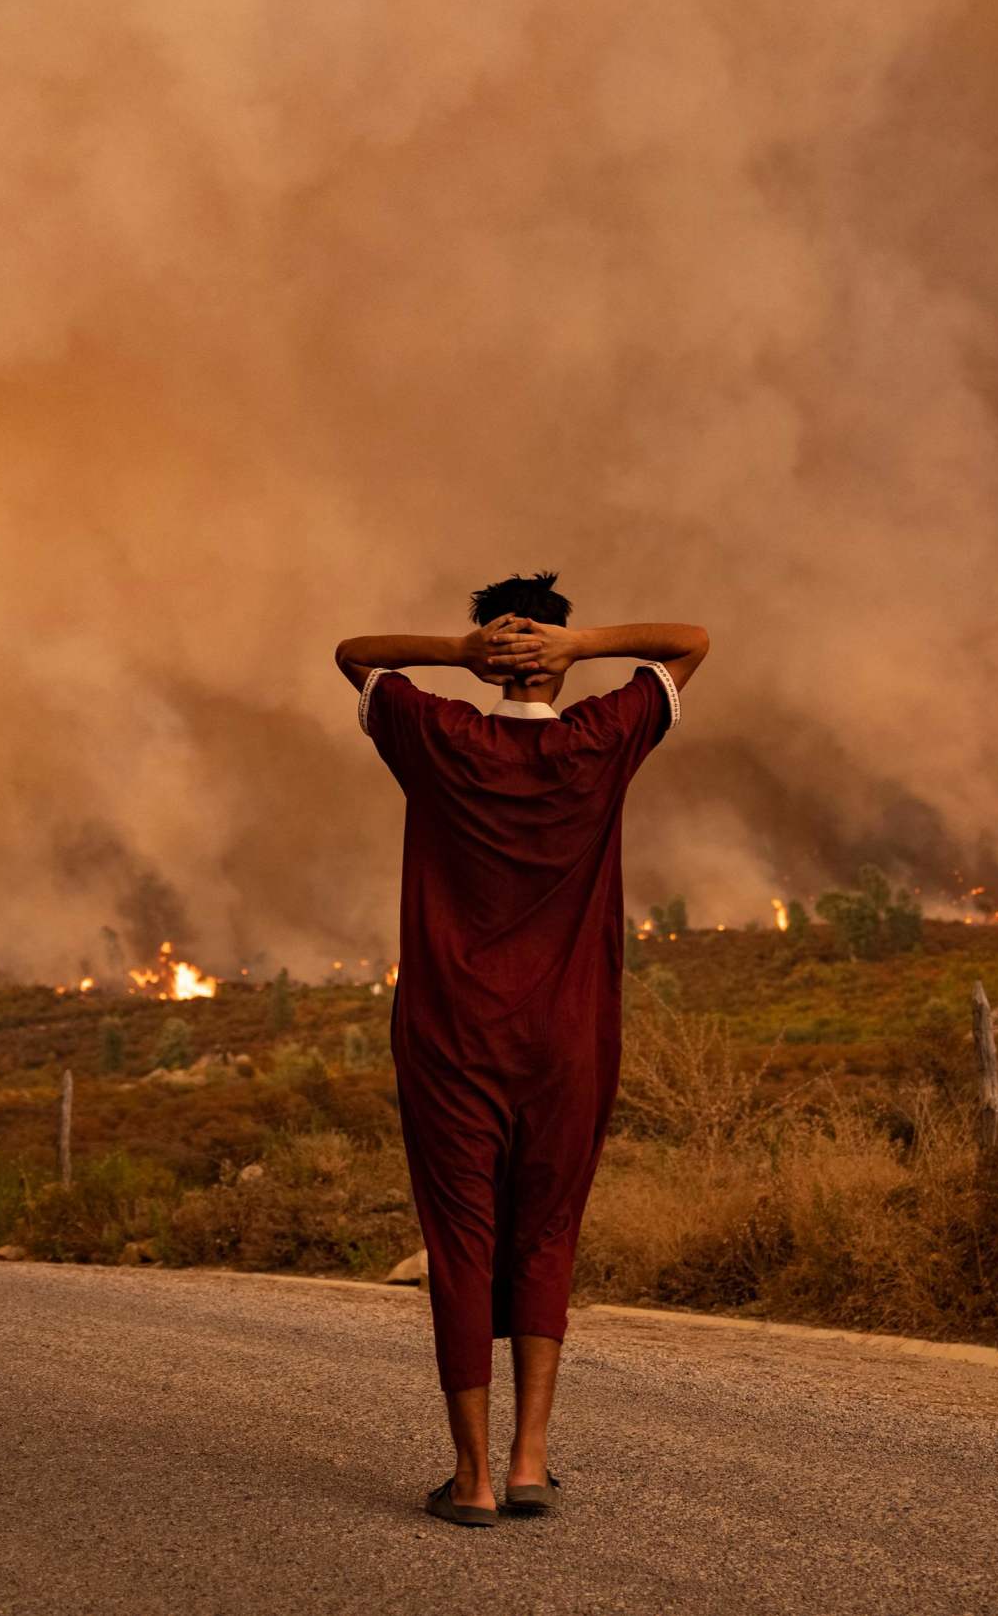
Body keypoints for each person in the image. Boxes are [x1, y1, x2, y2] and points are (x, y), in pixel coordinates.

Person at [334, 573, 708, 1528]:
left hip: (453, 1039)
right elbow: (691, 641)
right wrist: (585, 651)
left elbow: (353, 656)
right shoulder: (602, 739)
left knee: (461, 1245)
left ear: (493, 650)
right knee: (547, 1235)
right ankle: (532, 1461)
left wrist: (455, 657)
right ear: (555, 648)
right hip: (568, 1042)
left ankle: (472, 1482)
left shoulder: (439, 736)